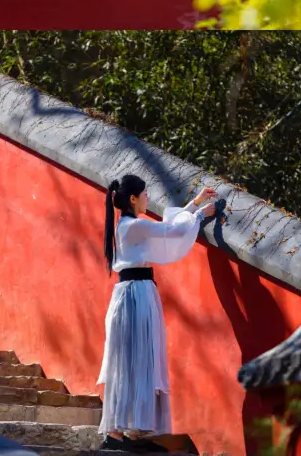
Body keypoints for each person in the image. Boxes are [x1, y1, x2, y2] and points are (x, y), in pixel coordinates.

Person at [98, 174, 217, 452]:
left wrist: (193, 205)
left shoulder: (130, 226)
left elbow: (164, 229)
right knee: (133, 360)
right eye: (145, 194)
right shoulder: (133, 226)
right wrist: (198, 214)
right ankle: (117, 435)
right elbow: (170, 233)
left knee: (133, 360)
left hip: (136, 292)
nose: (148, 198)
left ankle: (123, 433)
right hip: (135, 295)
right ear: (133, 199)